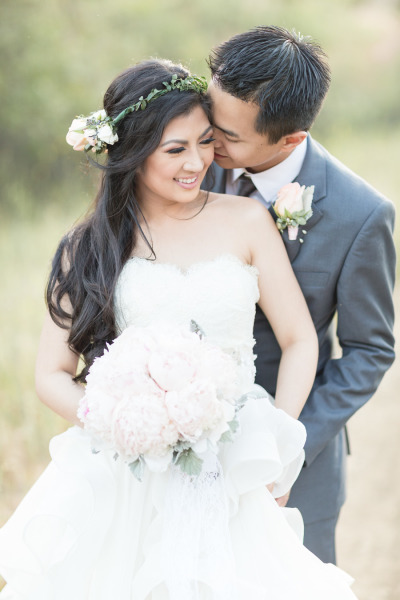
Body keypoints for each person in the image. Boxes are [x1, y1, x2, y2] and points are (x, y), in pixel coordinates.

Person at [0, 58, 359, 599]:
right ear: (133, 150)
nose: (197, 162)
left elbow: (299, 338)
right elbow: (51, 374)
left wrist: (277, 442)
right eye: (175, 149)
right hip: (125, 471)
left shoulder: (245, 220)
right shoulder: (90, 246)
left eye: (206, 142)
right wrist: (125, 423)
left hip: (231, 465)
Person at [206, 25, 396, 564]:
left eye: (229, 137)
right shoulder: (188, 166)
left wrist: (288, 447)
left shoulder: (362, 216)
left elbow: (369, 351)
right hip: (185, 447)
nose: (208, 144)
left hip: (294, 470)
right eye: (209, 121)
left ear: (290, 139)